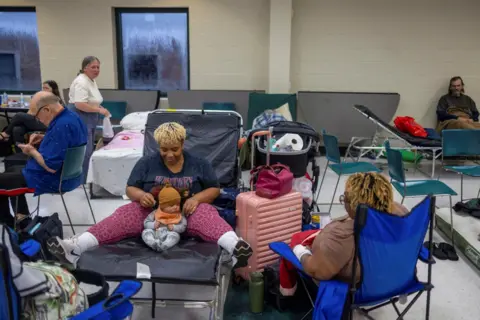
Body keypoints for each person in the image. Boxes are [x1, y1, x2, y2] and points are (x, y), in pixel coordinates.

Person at [47, 122, 253, 268]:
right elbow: (130, 188)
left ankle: (236, 248)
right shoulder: (146, 163)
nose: (169, 154)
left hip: (187, 214)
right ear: (158, 146)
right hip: (151, 215)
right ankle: (74, 249)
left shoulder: (199, 163)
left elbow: (214, 189)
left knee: (207, 214)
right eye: (164, 149)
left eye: (175, 149)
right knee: (124, 214)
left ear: (183, 143)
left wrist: (196, 199)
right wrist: (140, 196)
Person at [279, 172, 409, 296]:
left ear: (353, 206)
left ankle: (288, 290)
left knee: (296, 240)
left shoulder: (341, 236)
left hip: (354, 289)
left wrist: (302, 253)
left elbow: (317, 271)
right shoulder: (401, 214)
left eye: (345, 199)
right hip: (392, 280)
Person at [0, 92, 87, 227]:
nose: (37, 120)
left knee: (4, 180)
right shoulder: (72, 116)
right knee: (11, 169)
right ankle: (22, 218)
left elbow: (50, 167)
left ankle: (8, 223)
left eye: (36, 116)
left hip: (53, 179)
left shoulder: (61, 125)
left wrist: (32, 151)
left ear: (46, 109)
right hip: (71, 175)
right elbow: (67, 144)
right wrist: (45, 137)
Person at [68, 56, 111, 182]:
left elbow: (91, 100)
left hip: (89, 117)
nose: (96, 70)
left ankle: (86, 177)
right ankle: (80, 180)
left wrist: (99, 106)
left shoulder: (91, 80)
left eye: (98, 67)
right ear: (84, 68)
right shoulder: (81, 81)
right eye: (93, 67)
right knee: (84, 150)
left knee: (89, 149)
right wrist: (99, 110)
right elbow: (79, 104)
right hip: (80, 116)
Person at [0, 80, 63, 144]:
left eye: (46, 88)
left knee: (19, 115)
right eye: (43, 88)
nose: (44, 90)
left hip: (47, 124)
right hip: (37, 121)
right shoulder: (41, 99)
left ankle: (6, 133)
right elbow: (31, 112)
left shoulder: (55, 100)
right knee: (17, 129)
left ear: (53, 89)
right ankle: (21, 152)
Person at [142, 185, 187, 252]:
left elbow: (183, 226)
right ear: (162, 206)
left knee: (175, 236)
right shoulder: (155, 213)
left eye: (177, 204)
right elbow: (146, 223)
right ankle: (152, 242)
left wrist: (174, 227)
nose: (175, 207)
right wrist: (153, 225)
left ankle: (164, 245)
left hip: (169, 233)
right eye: (171, 205)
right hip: (155, 232)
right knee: (145, 232)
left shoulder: (179, 215)